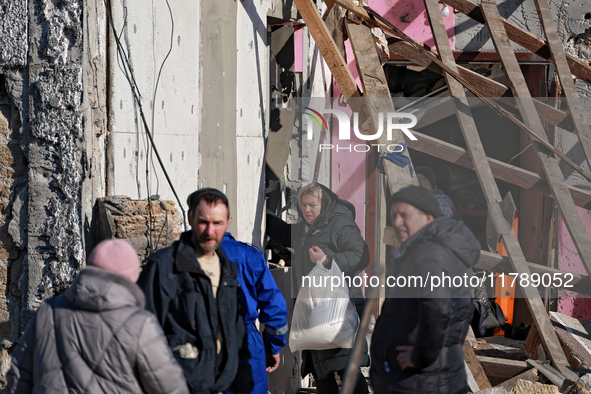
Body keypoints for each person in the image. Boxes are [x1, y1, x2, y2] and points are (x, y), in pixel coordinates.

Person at [5, 239, 189, 394]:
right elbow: (170, 388)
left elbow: (19, 377)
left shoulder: (48, 311)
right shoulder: (140, 324)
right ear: (132, 278)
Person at [138, 188, 253, 394]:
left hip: (219, 385)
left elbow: (236, 333)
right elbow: (142, 335)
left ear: (228, 224)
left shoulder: (228, 269)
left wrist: (243, 383)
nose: (210, 231)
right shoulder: (164, 266)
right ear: (190, 219)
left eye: (217, 223)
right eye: (203, 222)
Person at [370, 186, 480, 394]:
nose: (397, 222)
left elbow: (438, 309)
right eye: (394, 216)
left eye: (404, 215)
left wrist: (420, 357)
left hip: (423, 380)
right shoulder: (437, 250)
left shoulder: (429, 255)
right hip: (431, 375)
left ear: (428, 217)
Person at [266, 182, 370, 394]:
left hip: (341, 307)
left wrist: (326, 259)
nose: (307, 210)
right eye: (303, 205)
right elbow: (285, 232)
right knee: (320, 370)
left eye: (312, 205)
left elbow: (361, 255)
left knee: (346, 367)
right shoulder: (308, 228)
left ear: (325, 203)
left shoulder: (340, 224)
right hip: (315, 307)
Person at [221, 233, 288, 394]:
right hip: (244, 342)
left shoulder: (175, 257)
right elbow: (274, 309)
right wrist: (273, 348)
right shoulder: (248, 255)